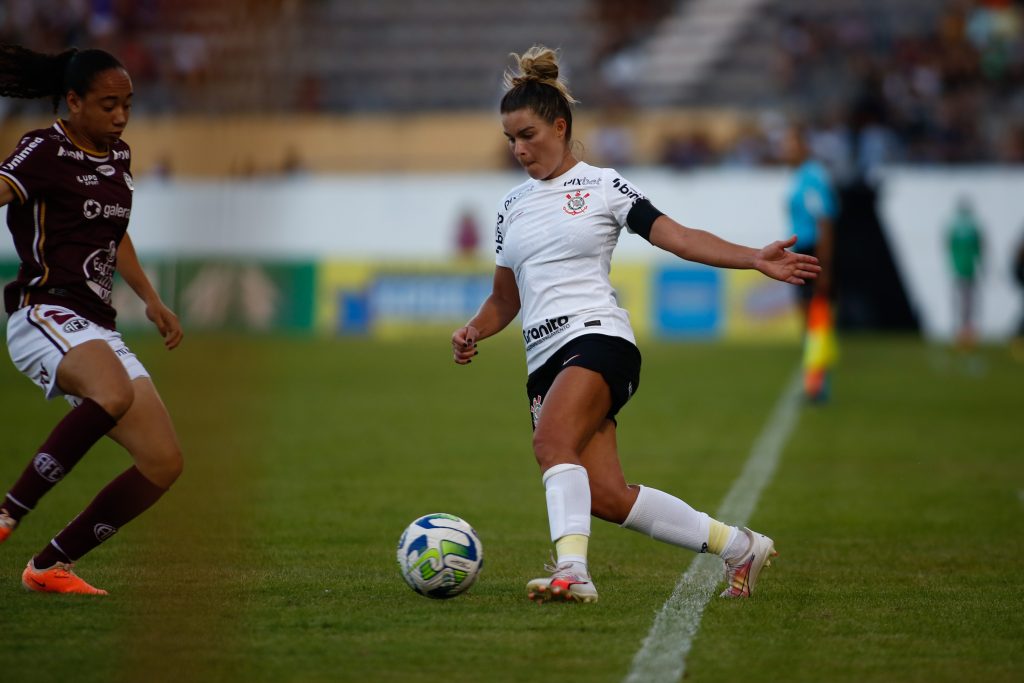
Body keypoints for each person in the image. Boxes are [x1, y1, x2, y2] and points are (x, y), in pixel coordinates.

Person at [450, 46, 820, 604]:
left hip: (598, 338)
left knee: (552, 443)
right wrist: (476, 328)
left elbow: (678, 235)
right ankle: (740, 546)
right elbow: (504, 299)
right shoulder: (511, 206)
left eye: (527, 135)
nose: (519, 149)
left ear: (560, 125)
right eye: (510, 140)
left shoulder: (602, 185)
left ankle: (572, 571)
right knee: (606, 495)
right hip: (542, 360)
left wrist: (753, 257)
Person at [0, 45, 183, 595]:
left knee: (163, 462)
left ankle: (51, 566)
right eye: (108, 105)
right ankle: (8, 513)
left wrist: (150, 298)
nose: (121, 117)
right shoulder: (42, 149)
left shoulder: (118, 156)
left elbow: (114, 232)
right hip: (43, 311)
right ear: (74, 101)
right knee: (112, 391)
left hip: (97, 324)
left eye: (127, 104)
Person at [781, 123, 839, 401]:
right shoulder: (801, 176)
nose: (785, 151)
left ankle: (818, 383)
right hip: (803, 251)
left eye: (790, 144)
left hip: (811, 252)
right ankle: (815, 379)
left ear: (804, 146)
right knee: (810, 319)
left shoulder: (813, 177)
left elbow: (824, 221)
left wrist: (823, 266)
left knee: (815, 317)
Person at [946, 197, 984, 349]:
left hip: (960, 268)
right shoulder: (972, 226)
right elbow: (980, 246)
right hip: (968, 268)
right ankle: (966, 331)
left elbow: (949, 246)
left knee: (961, 302)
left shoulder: (955, 226)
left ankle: (962, 332)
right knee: (968, 302)